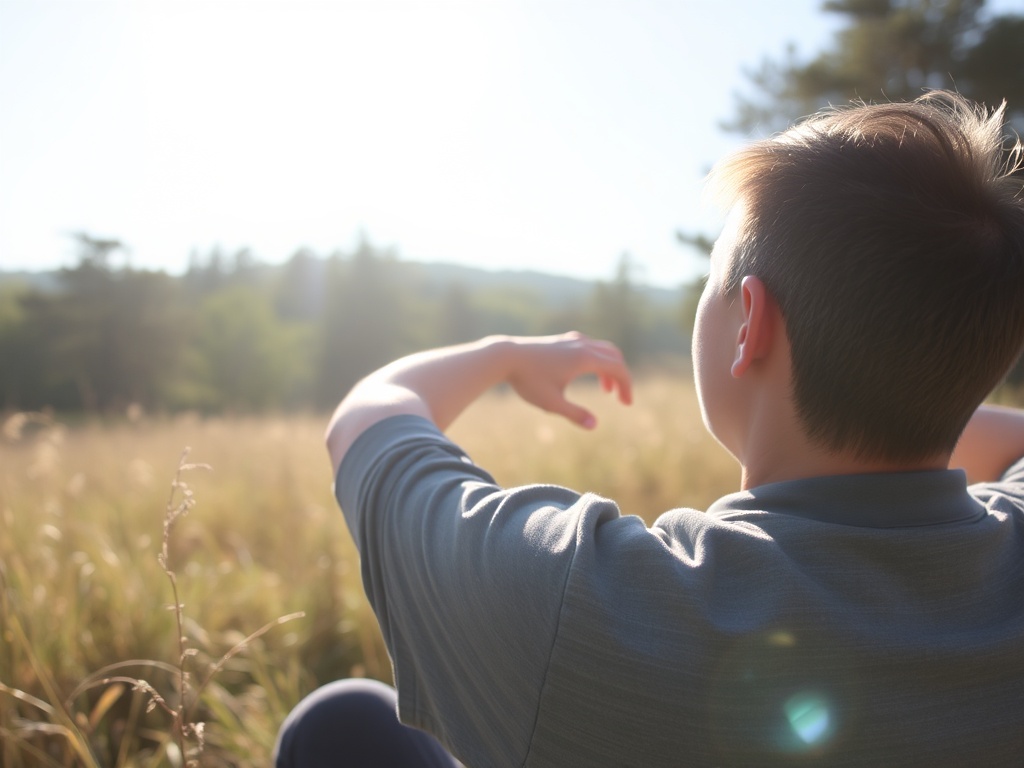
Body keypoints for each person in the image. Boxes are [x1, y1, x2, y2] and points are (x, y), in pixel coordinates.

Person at [274, 91, 1024, 767]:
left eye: (712, 281)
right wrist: (914, 399)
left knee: (341, 724)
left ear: (749, 326)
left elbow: (368, 418)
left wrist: (499, 355)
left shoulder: (586, 605)